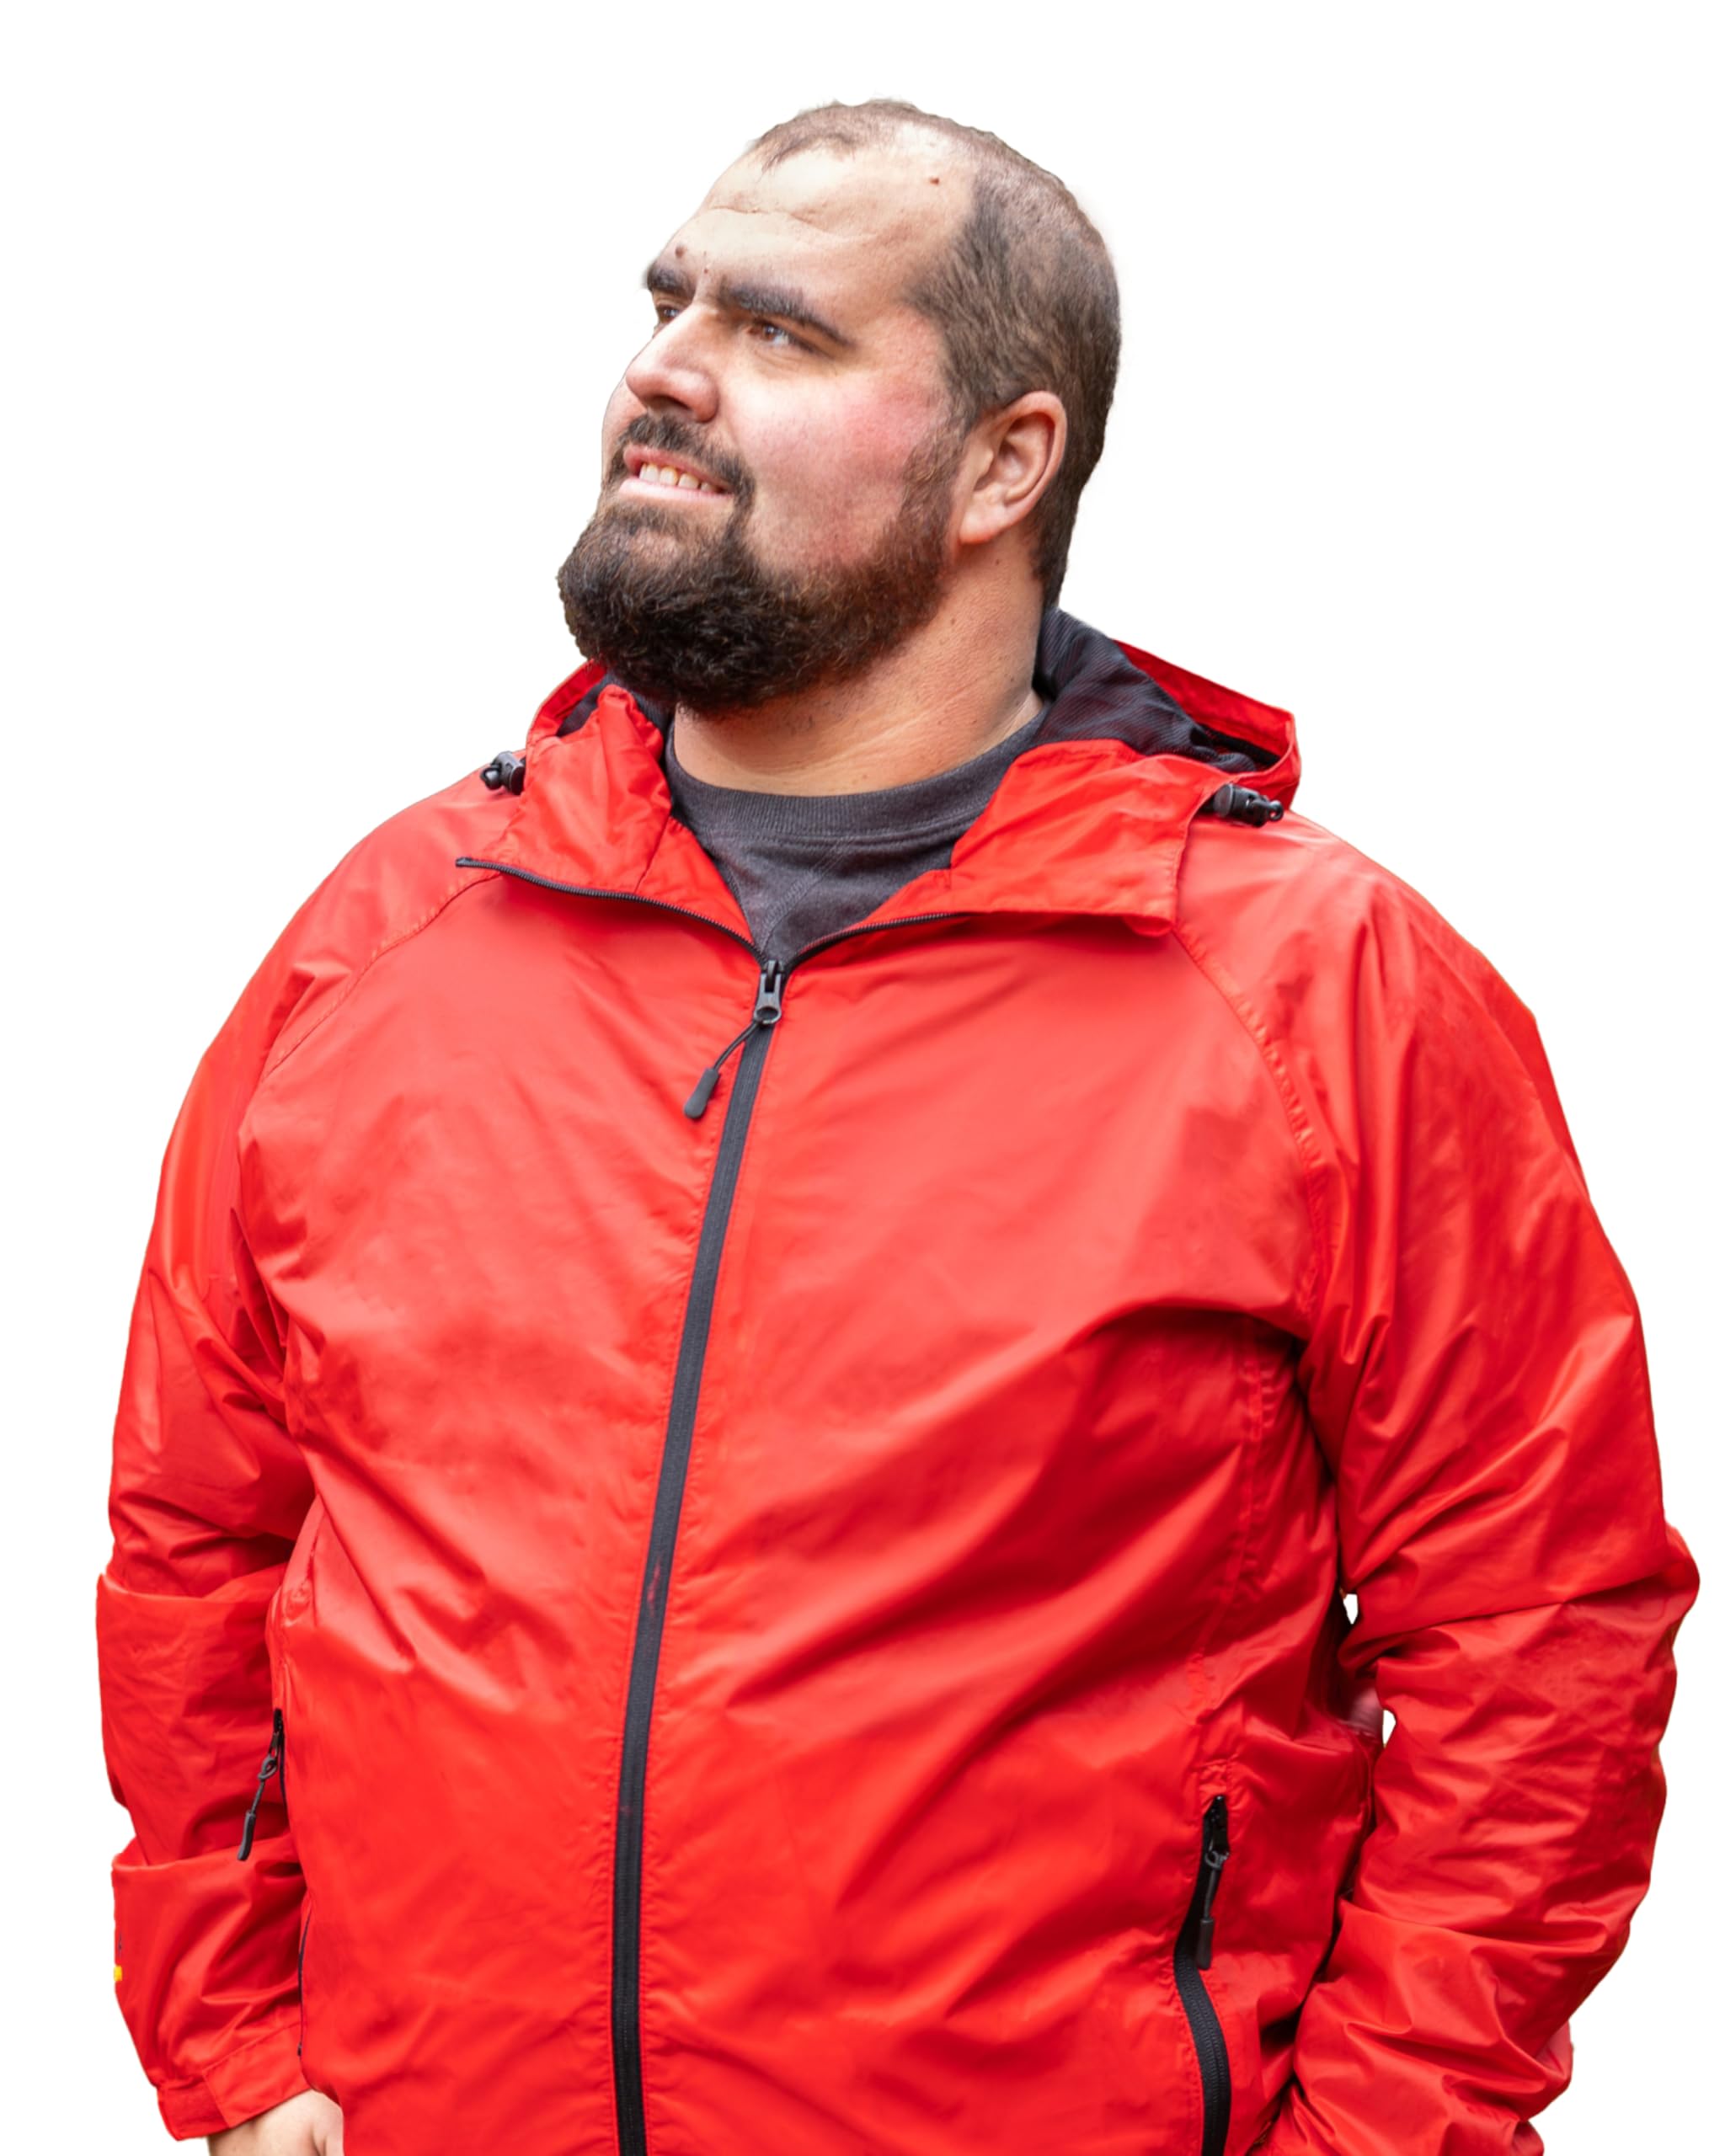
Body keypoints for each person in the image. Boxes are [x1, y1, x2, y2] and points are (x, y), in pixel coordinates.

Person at [98, 99, 1696, 2156]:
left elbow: (1536, 1633)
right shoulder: (394, 933)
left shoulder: (1313, 992)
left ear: (1004, 465)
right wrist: (238, 2049)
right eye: (671, 304)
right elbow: (203, 1535)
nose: (667, 369)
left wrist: (1383, 2137)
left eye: (781, 330)